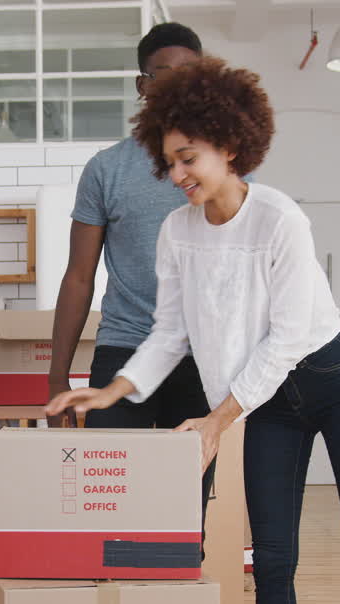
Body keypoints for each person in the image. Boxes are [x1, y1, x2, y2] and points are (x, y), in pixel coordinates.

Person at [45, 58, 340, 604]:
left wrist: (216, 420)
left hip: (335, 382)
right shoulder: (177, 232)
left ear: (231, 146)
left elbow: (285, 341)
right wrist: (114, 389)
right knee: (274, 566)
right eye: (169, 162)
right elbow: (170, 333)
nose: (178, 176)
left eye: (188, 158)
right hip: (271, 409)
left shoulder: (281, 220)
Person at [47, 22, 218, 529]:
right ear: (143, 86)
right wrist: (57, 376)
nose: (175, 87)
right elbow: (79, 276)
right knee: (108, 500)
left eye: (188, 75)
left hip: (198, 355)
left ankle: (177, 597)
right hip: (123, 349)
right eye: (163, 75)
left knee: (185, 506)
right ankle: (115, 603)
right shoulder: (107, 169)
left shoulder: (224, 165)